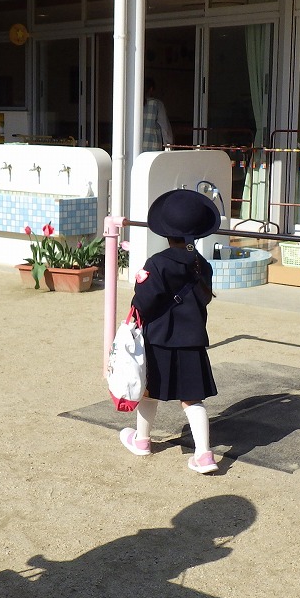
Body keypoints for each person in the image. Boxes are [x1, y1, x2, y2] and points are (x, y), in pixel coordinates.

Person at [119, 189, 221, 474]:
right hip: (192, 341)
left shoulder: (157, 263)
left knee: (148, 391)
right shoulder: (203, 265)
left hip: (159, 340)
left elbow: (143, 302)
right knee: (192, 399)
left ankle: (142, 441)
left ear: (166, 232)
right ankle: (204, 455)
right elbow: (204, 299)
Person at [141, 77, 173, 152]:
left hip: (135, 146)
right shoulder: (157, 104)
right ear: (151, 89)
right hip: (153, 147)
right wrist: (168, 145)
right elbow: (165, 127)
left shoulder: (133, 104)